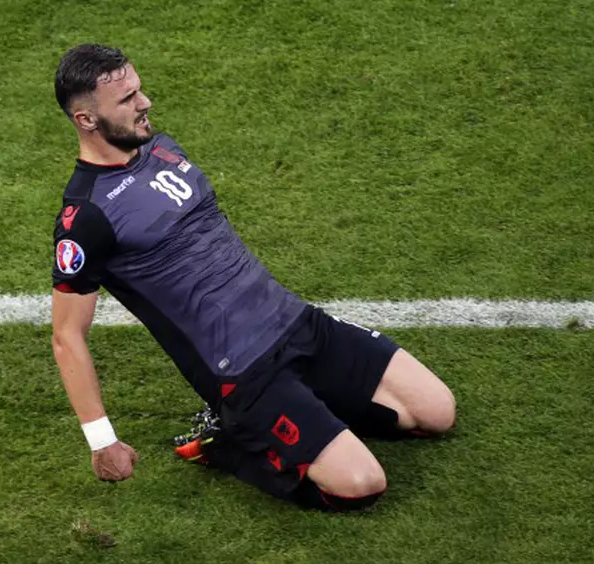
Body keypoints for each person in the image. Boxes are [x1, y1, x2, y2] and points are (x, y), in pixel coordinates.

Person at [50, 44, 456, 512]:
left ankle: (308, 411)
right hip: (243, 375)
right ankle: (225, 440)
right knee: (362, 484)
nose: (146, 103)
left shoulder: (161, 148)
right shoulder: (85, 218)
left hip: (299, 323)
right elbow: (67, 336)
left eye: (139, 90)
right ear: (86, 120)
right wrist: (102, 440)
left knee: (436, 413)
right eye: (127, 100)